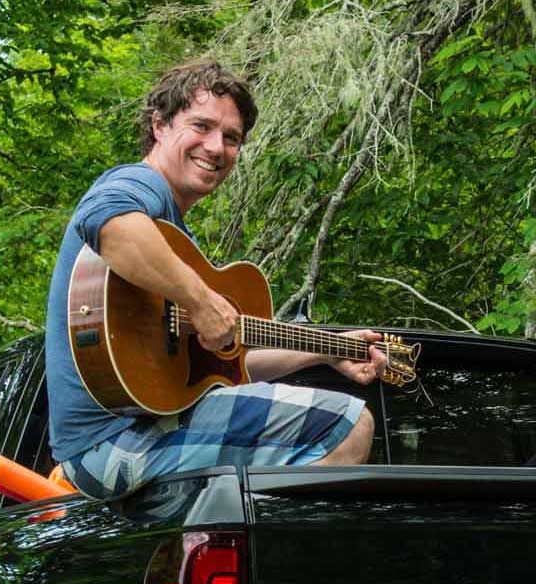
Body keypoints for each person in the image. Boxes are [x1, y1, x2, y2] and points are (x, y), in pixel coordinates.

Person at [45, 60, 384, 499]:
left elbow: (231, 366)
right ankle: (276, 560)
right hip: (118, 441)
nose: (216, 147)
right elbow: (105, 219)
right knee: (349, 425)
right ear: (160, 125)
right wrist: (200, 301)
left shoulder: (175, 241)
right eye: (201, 126)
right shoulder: (139, 184)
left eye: (231, 137)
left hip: (133, 442)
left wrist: (323, 351)